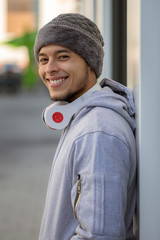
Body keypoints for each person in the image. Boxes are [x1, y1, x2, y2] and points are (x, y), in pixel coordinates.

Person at [34, 13, 137, 240]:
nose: (49, 68)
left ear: (90, 62)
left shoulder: (98, 132)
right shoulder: (83, 118)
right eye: (43, 59)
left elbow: (99, 235)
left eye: (62, 56)